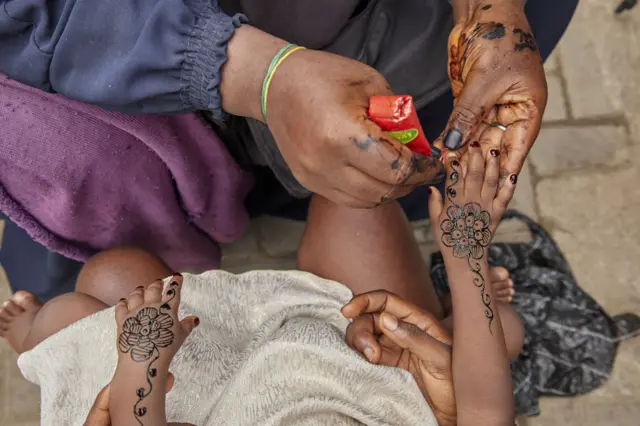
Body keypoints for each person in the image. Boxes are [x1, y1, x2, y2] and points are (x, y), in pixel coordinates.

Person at [0, 143, 523, 425]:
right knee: (505, 333)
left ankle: (35, 346)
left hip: (196, 400)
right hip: (360, 370)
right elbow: (484, 412)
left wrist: (143, 370)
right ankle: (455, 304)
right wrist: (465, 257)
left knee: (93, 292)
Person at [0, 0, 577, 220]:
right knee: (351, 190)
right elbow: (38, 16)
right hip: (173, 55)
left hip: (390, 33)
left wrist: (491, 9)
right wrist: (256, 75)